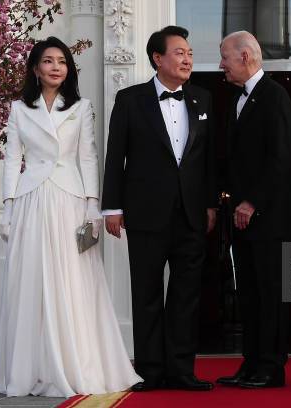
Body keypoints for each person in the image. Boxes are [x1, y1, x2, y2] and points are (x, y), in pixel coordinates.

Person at [0, 37, 141, 397]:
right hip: (31, 199)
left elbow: (88, 157)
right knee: (31, 281)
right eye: (48, 61)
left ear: (69, 68)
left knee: (72, 280)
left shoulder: (82, 107)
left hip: (71, 200)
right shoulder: (18, 108)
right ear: (35, 68)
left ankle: (77, 364)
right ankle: (29, 368)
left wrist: (93, 205)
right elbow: (12, 160)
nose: (56, 67)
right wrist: (7, 206)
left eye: (62, 61)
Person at [101, 26, 216, 392]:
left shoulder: (203, 99)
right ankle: (149, 371)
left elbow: (209, 159)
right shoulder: (129, 99)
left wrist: (211, 203)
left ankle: (181, 371)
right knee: (146, 293)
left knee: (186, 296)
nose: (188, 59)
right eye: (180, 52)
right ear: (158, 58)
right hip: (146, 212)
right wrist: (112, 208)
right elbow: (115, 156)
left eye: (190, 53)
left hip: (191, 214)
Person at [216, 31, 291, 389]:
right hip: (243, 219)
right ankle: (250, 363)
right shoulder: (238, 100)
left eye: (225, 57)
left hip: (269, 219)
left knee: (270, 293)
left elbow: (280, 159)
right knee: (247, 294)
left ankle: (271, 367)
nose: (221, 65)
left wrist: (252, 202)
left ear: (245, 56)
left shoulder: (275, 96)